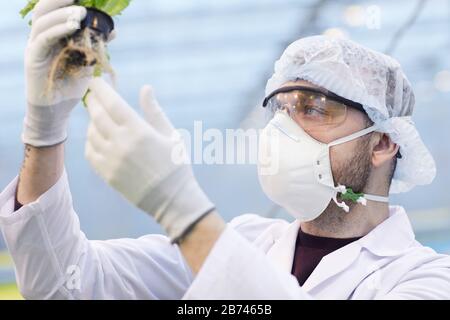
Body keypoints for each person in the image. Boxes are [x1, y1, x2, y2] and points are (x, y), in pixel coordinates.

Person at [0, 0, 449, 299]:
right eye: (282, 108)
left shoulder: (425, 279)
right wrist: (45, 129)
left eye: (315, 108)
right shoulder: (244, 242)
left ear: (384, 142)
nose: (287, 129)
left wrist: (183, 211)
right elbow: (65, 284)